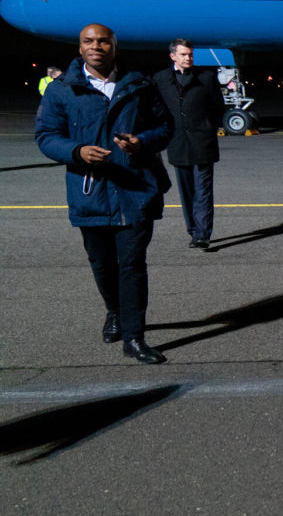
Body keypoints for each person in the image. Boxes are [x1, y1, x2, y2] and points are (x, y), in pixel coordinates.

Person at [34, 24, 172, 364]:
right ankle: (114, 311)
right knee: (101, 264)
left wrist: (143, 141)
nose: (96, 46)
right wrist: (77, 151)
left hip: (134, 188)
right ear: (80, 48)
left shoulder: (140, 84)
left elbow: (165, 126)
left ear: (114, 46)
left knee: (132, 264)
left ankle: (134, 337)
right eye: (88, 41)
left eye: (103, 41)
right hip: (90, 190)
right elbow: (46, 135)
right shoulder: (61, 89)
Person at [152, 39, 225, 249]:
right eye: (184, 54)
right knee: (186, 190)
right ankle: (193, 230)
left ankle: (202, 234)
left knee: (203, 189)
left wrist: (208, 127)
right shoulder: (160, 79)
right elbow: (157, 109)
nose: (188, 58)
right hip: (177, 141)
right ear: (173, 56)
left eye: (190, 55)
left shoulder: (207, 78)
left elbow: (217, 107)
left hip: (203, 141)